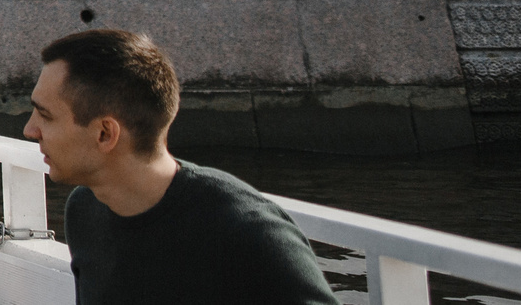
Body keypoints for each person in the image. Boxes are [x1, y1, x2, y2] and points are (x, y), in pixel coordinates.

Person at [26, 28, 334, 305]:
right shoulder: (85, 210)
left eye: (45, 115)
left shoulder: (248, 233)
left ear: (105, 133)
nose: (29, 130)